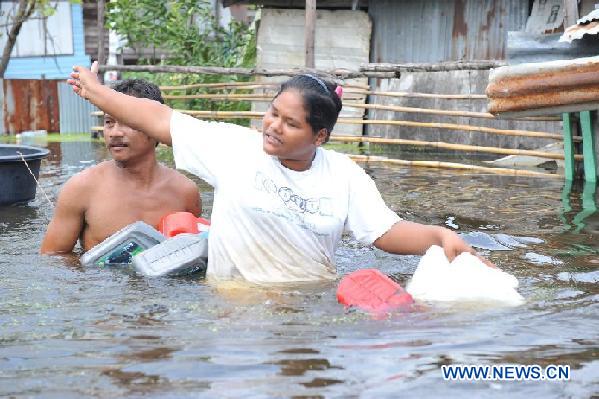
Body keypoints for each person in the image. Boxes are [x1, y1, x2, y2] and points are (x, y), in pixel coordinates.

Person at [67, 62, 492, 283]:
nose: (273, 127)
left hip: (309, 304)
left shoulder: (343, 175)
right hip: (233, 306)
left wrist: (439, 235)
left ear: (319, 136)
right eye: (273, 113)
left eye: (290, 124)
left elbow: (382, 232)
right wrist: (98, 92)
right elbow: (158, 118)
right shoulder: (235, 148)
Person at [41, 78, 201, 254]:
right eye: (109, 122)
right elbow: (52, 257)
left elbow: (196, 253)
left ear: (155, 128)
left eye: (127, 121)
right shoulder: (81, 189)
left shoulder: (185, 192)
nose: (115, 133)